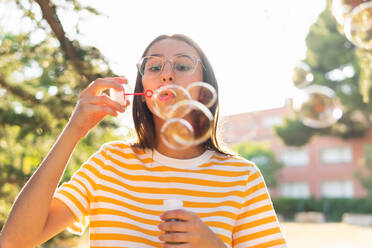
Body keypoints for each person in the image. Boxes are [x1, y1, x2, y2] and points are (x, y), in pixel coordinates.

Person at [0, 34, 287, 248]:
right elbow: (15, 241)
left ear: (204, 91)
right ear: (143, 90)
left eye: (183, 66)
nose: (167, 73)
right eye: (154, 67)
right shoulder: (110, 163)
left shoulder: (241, 177)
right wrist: (73, 131)